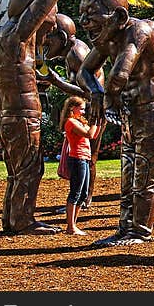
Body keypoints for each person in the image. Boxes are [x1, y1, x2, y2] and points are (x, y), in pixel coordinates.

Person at [78, 0, 154, 246]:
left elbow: (119, 74)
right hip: (132, 113)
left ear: (118, 17)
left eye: (92, 14)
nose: (85, 22)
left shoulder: (138, 31)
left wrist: (105, 96)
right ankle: (125, 228)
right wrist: (96, 94)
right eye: (82, 15)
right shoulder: (109, 38)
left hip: (152, 112)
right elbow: (84, 71)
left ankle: (140, 230)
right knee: (129, 173)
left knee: (144, 175)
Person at [0, 0, 62, 235]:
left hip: (6, 114)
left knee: (15, 171)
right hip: (23, 114)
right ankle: (23, 221)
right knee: (31, 169)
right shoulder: (20, 33)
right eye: (48, 17)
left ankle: (11, 218)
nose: (51, 24)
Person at [37, 13, 106, 209]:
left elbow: (89, 92)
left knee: (86, 157)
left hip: (91, 113)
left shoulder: (76, 54)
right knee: (83, 157)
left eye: (48, 36)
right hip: (88, 112)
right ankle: (82, 197)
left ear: (62, 37)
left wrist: (56, 81)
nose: (45, 41)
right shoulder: (72, 53)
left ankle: (82, 199)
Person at [59, 96, 101, 235]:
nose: (83, 112)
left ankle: (73, 225)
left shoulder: (79, 121)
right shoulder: (71, 122)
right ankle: (70, 227)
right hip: (77, 159)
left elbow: (94, 135)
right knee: (75, 192)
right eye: (81, 109)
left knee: (83, 194)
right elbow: (89, 134)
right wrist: (95, 120)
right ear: (72, 108)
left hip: (84, 159)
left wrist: (99, 121)